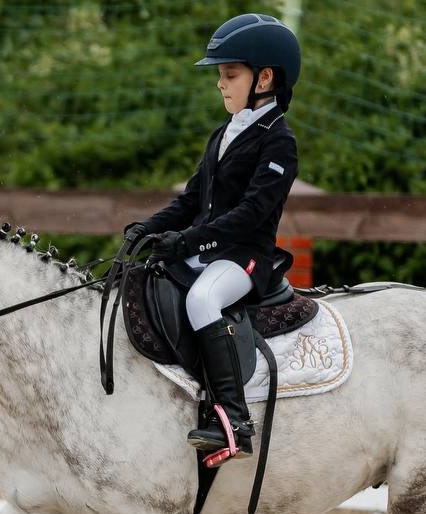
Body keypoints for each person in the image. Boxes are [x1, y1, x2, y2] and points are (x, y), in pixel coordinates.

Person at [126, 13, 300, 461]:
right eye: (220, 77)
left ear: (265, 78)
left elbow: (250, 214)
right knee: (149, 278)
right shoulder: (225, 133)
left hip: (244, 258)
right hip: (208, 251)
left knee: (203, 300)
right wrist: (150, 227)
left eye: (229, 75)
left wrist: (187, 243)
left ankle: (234, 422)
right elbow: (190, 200)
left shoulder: (278, 141)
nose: (220, 85)